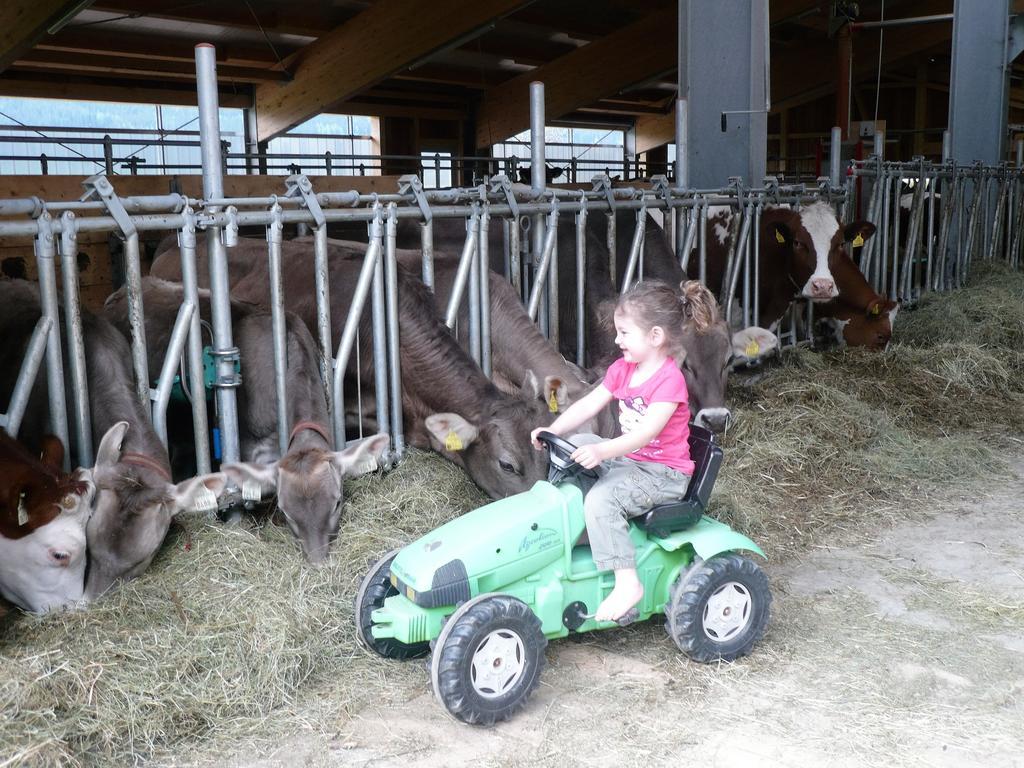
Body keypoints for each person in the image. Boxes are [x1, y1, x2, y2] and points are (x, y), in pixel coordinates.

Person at [531, 280, 714, 623]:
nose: (617, 340)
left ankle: (627, 583)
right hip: (633, 462)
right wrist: (553, 430)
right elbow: (589, 405)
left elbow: (646, 434)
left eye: (625, 333)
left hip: (664, 475)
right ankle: (572, 537)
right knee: (575, 448)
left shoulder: (669, 381)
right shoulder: (622, 370)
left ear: (655, 336)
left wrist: (603, 451)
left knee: (602, 499)